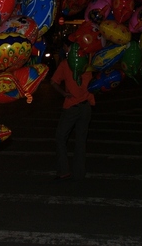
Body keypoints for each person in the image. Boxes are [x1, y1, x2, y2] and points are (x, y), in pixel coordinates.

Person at [50, 37, 95, 181]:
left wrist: (64, 93)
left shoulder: (65, 65)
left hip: (71, 107)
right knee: (81, 140)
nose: (64, 50)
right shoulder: (87, 64)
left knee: (60, 137)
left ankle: (63, 170)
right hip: (86, 107)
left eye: (65, 47)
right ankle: (79, 171)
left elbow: (53, 81)